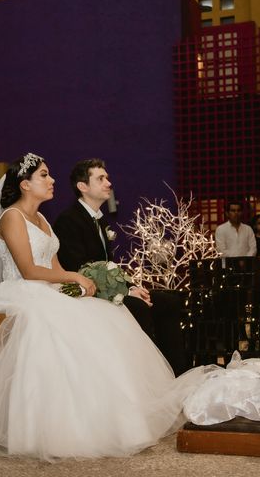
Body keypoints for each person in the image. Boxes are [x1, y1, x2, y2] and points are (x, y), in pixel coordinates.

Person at [0, 153, 208, 461]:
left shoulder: (43, 220)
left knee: (106, 314)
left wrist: (78, 286)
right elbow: (28, 269)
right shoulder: (12, 217)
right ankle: (56, 425)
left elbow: (53, 264)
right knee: (63, 323)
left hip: (47, 286)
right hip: (20, 289)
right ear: (25, 184)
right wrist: (72, 276)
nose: (52, 181)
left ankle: (115, 417)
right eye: (44, 176)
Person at [53, 158, 188, 376]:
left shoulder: (101, 221)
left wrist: (133, 286)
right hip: (87, 294)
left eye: (107, 177)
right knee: (139, 308)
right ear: (83, 187)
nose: (108, 183)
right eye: (101, 178)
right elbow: (80, 268)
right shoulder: (68, 221)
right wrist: (125, 291)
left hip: (109, 290)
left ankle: (177, 373)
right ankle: (148, 376)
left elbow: (110, 266)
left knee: (169, 301)